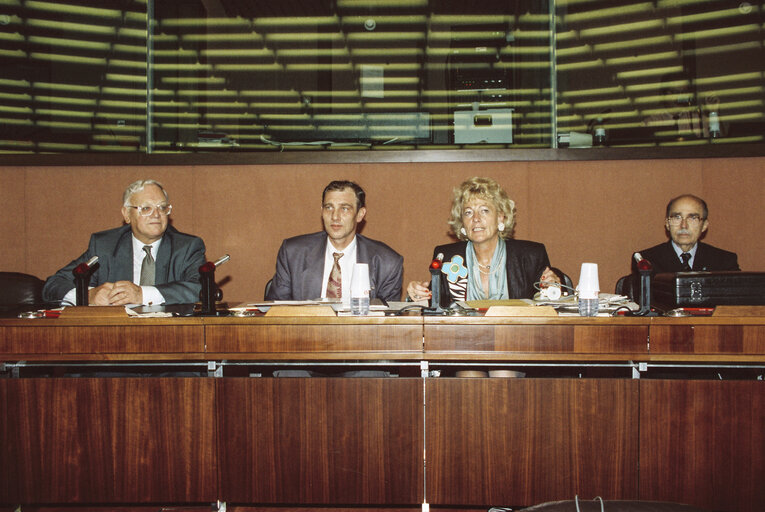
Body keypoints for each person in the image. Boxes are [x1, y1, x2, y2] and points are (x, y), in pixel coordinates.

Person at [43, 179, 206, 306]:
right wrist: (88, 295)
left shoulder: (186, 247)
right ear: (127, 214)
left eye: (162, 208)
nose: (156, 214)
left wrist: (141, 294)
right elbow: (53, 285)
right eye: (146, 208)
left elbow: (202, 290)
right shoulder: (104, 246)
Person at [407, 177, 560, 305]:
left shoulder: (531, 256)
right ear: (462, 222)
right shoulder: (445, 257)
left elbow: (551, 298)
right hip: (462, 338)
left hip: (518, 339)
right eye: (468, 212)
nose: (476, 219)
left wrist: (554, 283)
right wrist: (418, 294)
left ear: (500, 217)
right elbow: (435, 304)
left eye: (484, 210)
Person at [266, 180, 403, 302]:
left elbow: (387, 323)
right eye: (329, 207)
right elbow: (275, 312)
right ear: (322, 211)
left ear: (360, 214)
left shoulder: (387, 263)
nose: (335, 216)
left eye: (344, 208)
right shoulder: (293, 253)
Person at [632, 194, 739, 276]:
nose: (684, 225)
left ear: (704, 225)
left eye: (692, 218)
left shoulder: (724, 262)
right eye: (677, 218)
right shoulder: (646, 261)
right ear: (667, 224)